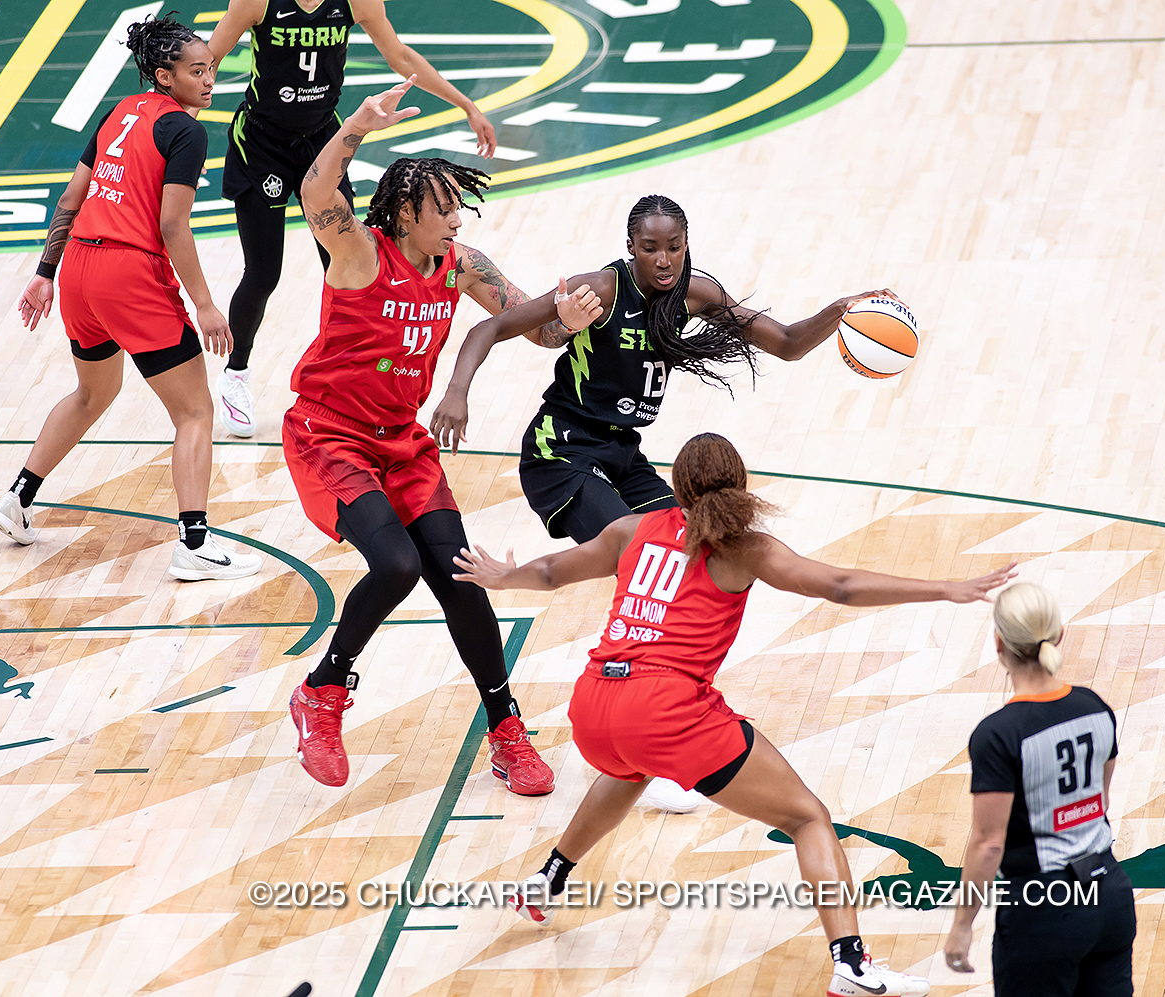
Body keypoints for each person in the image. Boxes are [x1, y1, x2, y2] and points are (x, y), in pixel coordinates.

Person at [452, 432, 1018, 996]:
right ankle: (851, 965)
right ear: (740, 485)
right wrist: (945, 588)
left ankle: (548, 879)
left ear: (677, 487)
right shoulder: (746, 548)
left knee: (631, 768)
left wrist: (503, 576)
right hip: (664, 708)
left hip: (595, 703)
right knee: (808, 819)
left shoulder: (631, 529)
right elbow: (841, 586)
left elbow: (552, 572)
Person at [431, 192, 892, 812]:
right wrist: (457, 392)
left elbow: (785, 343)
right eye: (650, 248)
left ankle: (670, 721)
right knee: (642, 556)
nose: (665, 259)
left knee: (698, 549)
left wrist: (839, 312)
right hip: (561, 453)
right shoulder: (602, 289)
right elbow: (489, 326)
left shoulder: (698, 293)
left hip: (622, 454)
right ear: (631, 249)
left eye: (674, 246)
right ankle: (636, 730)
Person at [282, 81, 601, 793]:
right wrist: (356, 126)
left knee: (459, 573)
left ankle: (506, 729)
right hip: (330, 434)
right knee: (396, 564)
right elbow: (314, 189)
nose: (458, 219)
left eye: (460, 207)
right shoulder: (360, 255)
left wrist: (571, 319)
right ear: (406, 214)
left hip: (403, 443)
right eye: (445, 208)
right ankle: (322, 691)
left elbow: (537, 327)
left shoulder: (460, 265)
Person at [0, 15, 262, 582]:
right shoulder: (185, 132)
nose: (209, 80)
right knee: (194, 410)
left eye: (211, 68)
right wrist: (206, 304)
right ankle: (194, 544)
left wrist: (46, 272)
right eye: (196, 71)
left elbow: (72, 197)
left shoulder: (117, 112)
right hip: (129, 274)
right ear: (164, 75)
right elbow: (172, 226)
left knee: (93, 392)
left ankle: (17, 498)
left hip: (80, 270)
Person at [204, 0, 498, 438]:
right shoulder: (258, 1)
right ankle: (236, 373)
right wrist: (181, 129)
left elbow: (399, 54)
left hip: (323, 142)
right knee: (263, 273)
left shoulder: (357, 1)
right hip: (262, 144)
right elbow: (207, 60)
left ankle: (346, 376)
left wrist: (467, 105)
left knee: (351, 266)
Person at [942, 582, 1136, 995]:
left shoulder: (998, 734)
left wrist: (962, 925)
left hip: (1044, 911)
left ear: (998, 642)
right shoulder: (1096, 707)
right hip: (1111, 896)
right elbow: (1098, 799)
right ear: (1059, 634)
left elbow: (989, 843)